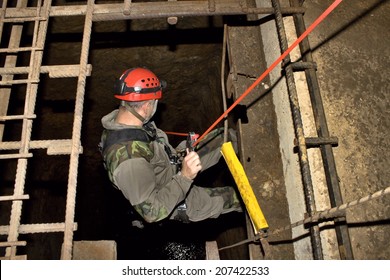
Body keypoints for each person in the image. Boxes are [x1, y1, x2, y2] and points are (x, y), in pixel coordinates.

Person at [100, 67, 242, 225]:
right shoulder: (129, 162)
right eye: (155, 102)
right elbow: (152, 212)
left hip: (170, 163)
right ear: (146, 106)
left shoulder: (125, 123)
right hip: (171, 197)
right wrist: (185, 177)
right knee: (233, 197)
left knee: (222, 138)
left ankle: (244, 144)